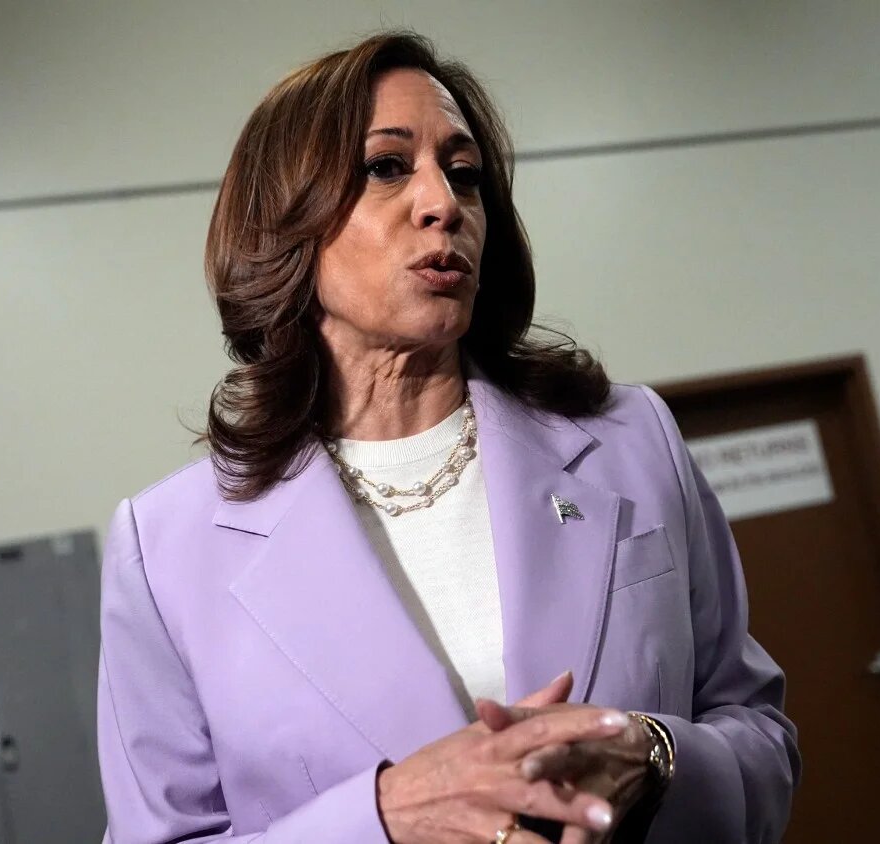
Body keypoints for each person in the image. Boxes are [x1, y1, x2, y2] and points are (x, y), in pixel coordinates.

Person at [96, 30, 799, 844]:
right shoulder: (167, 550)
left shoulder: (632, 439)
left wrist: (661, 756)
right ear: (284, 221)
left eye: (464, 175)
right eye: (387, 167)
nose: (444, 204)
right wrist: (386, 818)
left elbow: (760, 736)